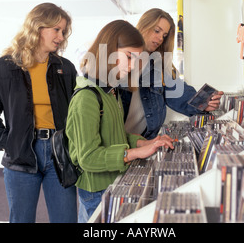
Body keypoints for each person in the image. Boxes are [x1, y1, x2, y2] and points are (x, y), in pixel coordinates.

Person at [65, 20, 174, 223]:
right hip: (95, 190)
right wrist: (133, 153)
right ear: (109, 53)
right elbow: (88, 158)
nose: (132, 66)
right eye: (128, 57)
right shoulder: (87, 97)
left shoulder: (109, 90)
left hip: (111, 182)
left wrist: (145, 143)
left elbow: (115, 135)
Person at [0, 3, 78, 223]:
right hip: (21, 156)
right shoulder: (3, 68)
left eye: (63, 31)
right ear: (37, 28)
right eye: (56, 30)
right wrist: (8, 142)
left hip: (59, 153)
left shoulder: (66, 68)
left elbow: (77, 112)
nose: (61, 37)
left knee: (66, 219)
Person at [120, 8, 223, 140]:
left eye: (164, 35)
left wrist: (204, 104)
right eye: (156, 31)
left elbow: (181, 95)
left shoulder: (160, 68)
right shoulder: (120, 61)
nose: (160, 38)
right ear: (144, 26)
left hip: (143, 141)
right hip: (115, 142)